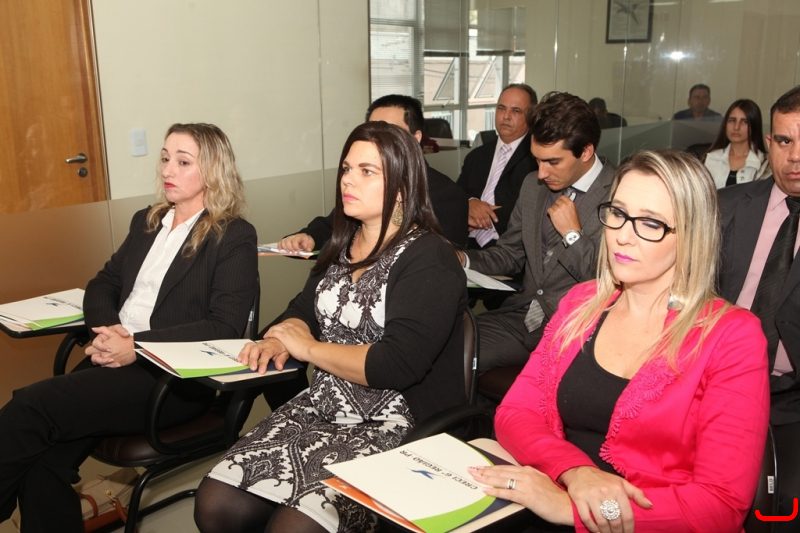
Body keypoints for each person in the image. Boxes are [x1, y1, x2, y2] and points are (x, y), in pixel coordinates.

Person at [471, 149, 770, 532]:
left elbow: (720, 505)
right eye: (618, 213)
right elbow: (515, 412)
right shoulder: (581, 304)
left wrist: (571, 509)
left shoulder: (732, 336)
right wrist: (575, 471)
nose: (622, 237)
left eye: (651, 223)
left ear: (692, 235)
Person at [194, 121, 467, 533]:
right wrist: (279, 337)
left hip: (397, 423)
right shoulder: (343, 243)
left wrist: (306, 349)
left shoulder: (430, 257)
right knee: (216, 504)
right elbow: (304, 309)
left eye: (367, 171)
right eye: (346, 169)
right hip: (322, 406)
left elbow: (394, 365)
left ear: (402, 186)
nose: (348, 180)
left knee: (294, 528)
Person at [0, 123, 258, 533]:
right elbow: (104, 282)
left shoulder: (233, 235)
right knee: (44, 461)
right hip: (114, 358)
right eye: (165, 158)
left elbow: (224, 326)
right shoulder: (148, 221)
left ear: (213, 170)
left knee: (30, 407)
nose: (167, 169)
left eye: (183, 162)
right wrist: (108, 332)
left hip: (172, 379)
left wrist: (135, 345)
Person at [461, 91, 615, 372]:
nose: (542, 173)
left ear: (585, 151)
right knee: (445, 348)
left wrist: (573, 236)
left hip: (577, 330)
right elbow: (510, 254)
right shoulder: (533, 185)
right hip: (520, 317)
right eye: (537, 160)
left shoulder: (620, 194)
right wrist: (464, 259)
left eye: (552, 162)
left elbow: (611, 281)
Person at [718, 85, 800, 533]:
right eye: (784, 141)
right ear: (768, 142)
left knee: (781, 511)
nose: (795, 157)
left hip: (791, 399)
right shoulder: (728, 205)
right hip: (714, 381)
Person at [278, 94, 469, 251]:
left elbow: (444, 263)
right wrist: (308, 236)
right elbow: (336, 223)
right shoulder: (359, 183)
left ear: (415, 138)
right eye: (372, 129)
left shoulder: (447, 195)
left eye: (389, 131)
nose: (376, 138)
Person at [457, 83, 538, 249]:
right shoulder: (476, 156)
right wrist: (469, 203)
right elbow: (456, 194)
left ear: (531, 117)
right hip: (467, 242)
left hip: (510, 246)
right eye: (501, 108)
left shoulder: (537, 159)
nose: (506, 116)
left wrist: (482, 217)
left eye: (516, 111)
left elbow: (531, 209)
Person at [704, 98, 770, 188]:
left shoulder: (765, 163)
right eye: (732, 120)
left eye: (744, 122)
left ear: (754, 125)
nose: (736, 127)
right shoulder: (711, 158)